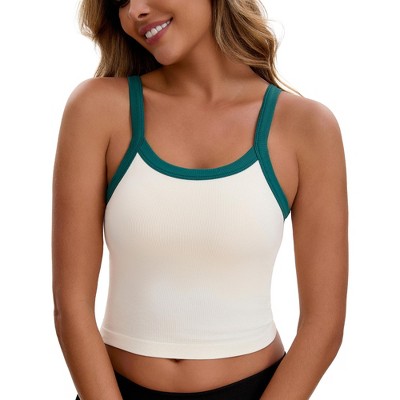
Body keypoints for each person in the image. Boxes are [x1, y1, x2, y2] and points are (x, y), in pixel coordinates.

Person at [52, 0, 348, 399]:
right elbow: (70, 306)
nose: (134, 11)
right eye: (120, 2)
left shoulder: (305, 127)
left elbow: (323, 324)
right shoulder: (98, 109)